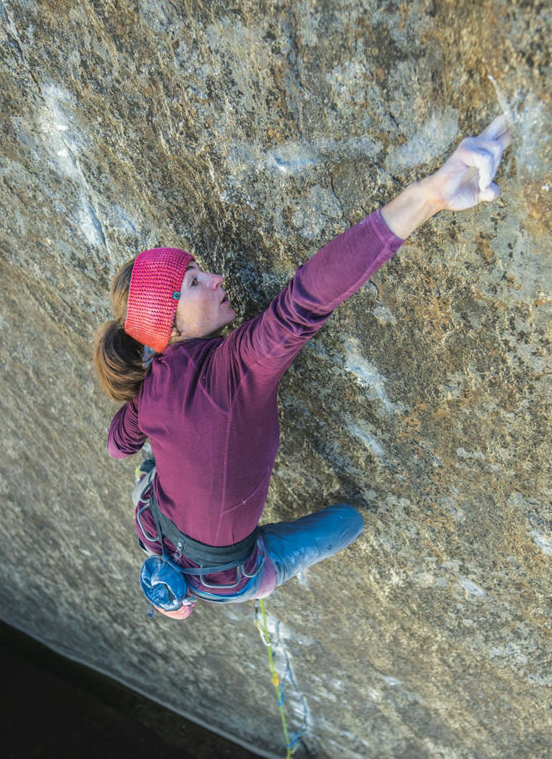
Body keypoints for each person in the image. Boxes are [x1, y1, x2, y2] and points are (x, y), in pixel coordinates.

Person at [94, 115, 512, 619]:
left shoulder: (150, 386)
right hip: (228, 573)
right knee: (348, 522)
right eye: (194, 283)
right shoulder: (235, 368)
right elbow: (307, 296)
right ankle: (176, 583)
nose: (217, 278)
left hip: (154, 525)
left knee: (155, 463)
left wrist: (150, 437)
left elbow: (119, 444)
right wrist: (427, 196)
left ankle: (171, 588)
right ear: (172, 329)